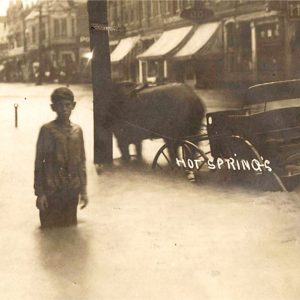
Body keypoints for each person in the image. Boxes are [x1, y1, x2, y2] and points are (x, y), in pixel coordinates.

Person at [34, 87, 88, 228]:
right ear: (53, 108)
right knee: (50, 234)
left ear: (73, 106)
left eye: (67, 105)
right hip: (52, 192)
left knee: (69, 232)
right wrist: (40, 194)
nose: (64, 109)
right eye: (59, 105)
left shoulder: (78, 131)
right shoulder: (47, 131)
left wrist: (83, 190)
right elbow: (39, 163)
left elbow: (81, 161)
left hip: (71, 191)